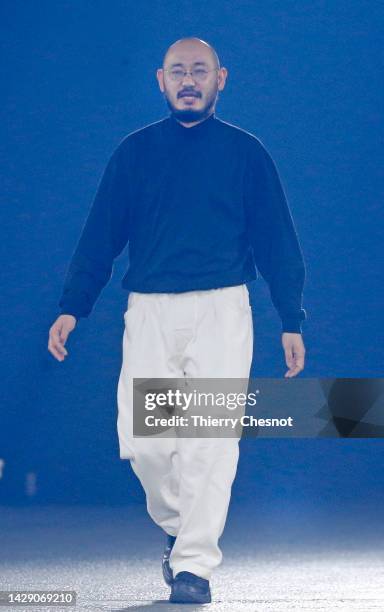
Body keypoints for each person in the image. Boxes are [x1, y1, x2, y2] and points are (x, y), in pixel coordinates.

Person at [48, 37, 306, 604]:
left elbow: (276, 239)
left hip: (222, 310)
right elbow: (100, 237)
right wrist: (73, 306)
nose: (189, 80)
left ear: (221, 79)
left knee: (210, 442)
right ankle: (179, 527)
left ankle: (192, 566)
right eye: (178, 71)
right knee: (146, 443)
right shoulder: (134, 154)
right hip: (151, 311)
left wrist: (291, 315)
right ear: (160, 81)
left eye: (200, 71)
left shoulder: (247, 154)